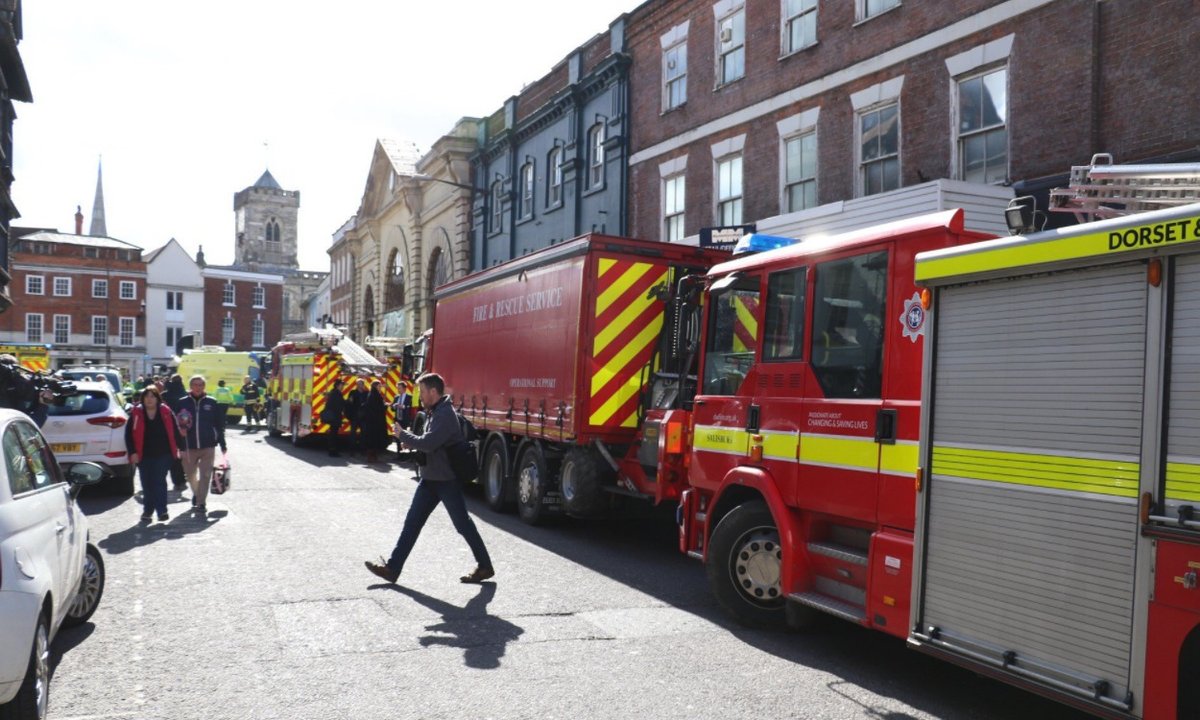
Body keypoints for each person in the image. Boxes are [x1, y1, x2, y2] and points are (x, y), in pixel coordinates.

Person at [365, 373, 494, 585]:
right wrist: (411, 442)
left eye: (422, 391)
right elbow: (428, 444)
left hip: (446, 481)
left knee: (463, 525)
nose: (420, 396)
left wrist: (403, 435)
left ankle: (485, 566)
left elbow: (429, 443)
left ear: (433, 392)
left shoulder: (444, 414)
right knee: (412, 523)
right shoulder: (435, 411)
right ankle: (392, 569)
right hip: (430, 479)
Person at [172, 375, 227, 518]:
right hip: (188, 447)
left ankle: (201, 503)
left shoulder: (212, 402)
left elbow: (219, 425)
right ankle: (197, 494)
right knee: (190, 475)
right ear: (190, 386)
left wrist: (222, 443)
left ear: (204, 387)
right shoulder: (182, 403)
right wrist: (179, 443)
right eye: (195, 385)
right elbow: (175, 424)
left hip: (207, 445)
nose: (198, 387)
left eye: (201, 385)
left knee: (206, 475)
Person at [124, 386, 181, 522]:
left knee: (159, 481)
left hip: (164, 454)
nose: (149, 399)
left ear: (157, 398)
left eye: (152, 396)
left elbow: (175, 430)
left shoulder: (166, 411)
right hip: (143, 455)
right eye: (146, 396)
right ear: (142, 399)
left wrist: (180, 449)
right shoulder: (136, 413)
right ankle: (148, 511)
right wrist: (132, 452)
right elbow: (128, 434)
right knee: (146, 483)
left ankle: (162, 511)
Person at [162, 374, 188, 490]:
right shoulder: (185, 394)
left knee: (171, 453)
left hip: (167, 426)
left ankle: (176, 479)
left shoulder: (165, 394)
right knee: (182, 452)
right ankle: (182, 477)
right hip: (182, 426)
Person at [360, 380, 389, 463]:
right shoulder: (374, 395)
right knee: (373, 439)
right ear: (375, 387)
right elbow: (377, 408)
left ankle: (373, 456)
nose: (380, 388)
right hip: (374, 421)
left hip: (373, 421)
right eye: (379, 386)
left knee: (373, 439)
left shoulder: (373, 394)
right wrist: (385, 406)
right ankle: (371, 456)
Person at [321, 378, 346, 457]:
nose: (343, 387)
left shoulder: (335, 392)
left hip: (334, 416)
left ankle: (332, 450)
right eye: (342, 385)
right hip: (335, 417)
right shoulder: (336, 393)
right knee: (333, 434)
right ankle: (332, 451)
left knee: (333, 433)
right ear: (338, 385)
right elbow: (338, 405)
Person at [347, 378, 369, 452]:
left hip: (364, 417)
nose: (359, 385)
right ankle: (352, 450)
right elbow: (349, 404)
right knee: (353, 434)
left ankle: (362, 449)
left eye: (360, 384)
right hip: (354, 416)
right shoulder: (352, 392)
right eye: (358, 384)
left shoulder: (367, 393)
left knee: (364, 433)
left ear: (363, 385)